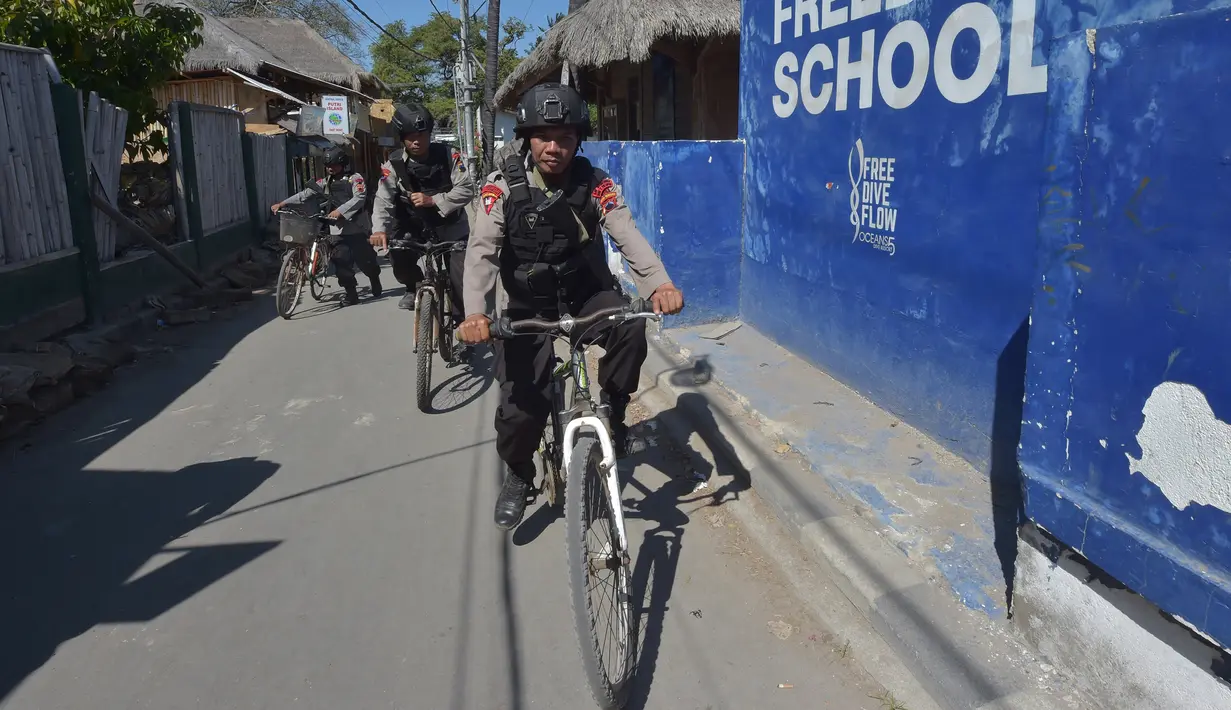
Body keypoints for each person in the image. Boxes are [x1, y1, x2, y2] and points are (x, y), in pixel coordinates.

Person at [458, 83, 686, 530]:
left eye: (565, 137)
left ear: (579, 139)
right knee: (521, 406)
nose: (554, 147)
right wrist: (474, 313)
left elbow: (626, 233)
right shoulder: (499, 187)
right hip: (526, 307)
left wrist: (660, 284)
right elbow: (482, 250)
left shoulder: (597, 184)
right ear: (527, 137)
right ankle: (520, 472)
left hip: (586, 295)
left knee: (630, 325)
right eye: (543, 136)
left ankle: (615, 410)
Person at [369, 103, 474, 317]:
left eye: (422, 135)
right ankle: (413, 286)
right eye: (410, 136)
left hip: (450, 226)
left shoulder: (449, 155)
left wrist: (434, 200)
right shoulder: (393, 165)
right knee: (398, 258)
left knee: (461, 280)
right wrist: (379, 230)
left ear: (430, 133)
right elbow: (383, 200)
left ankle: (462, 324)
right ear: (401, 137)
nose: (417, 141)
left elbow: (467, 188)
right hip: (413, 226)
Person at [271, 145, 381, 305]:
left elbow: (359, 198)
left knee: (366, 261)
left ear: (343, 164)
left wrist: (340, 211)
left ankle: (374, 278)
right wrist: (283, 203)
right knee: (341, 262)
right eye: (328, 166)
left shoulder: (355, 178)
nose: (331, 168)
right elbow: (305, 195)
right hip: (336, 230)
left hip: (357, 228)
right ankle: (351, 294)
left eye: (334, 165)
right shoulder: (325, 182)